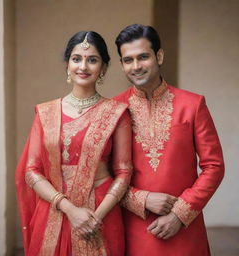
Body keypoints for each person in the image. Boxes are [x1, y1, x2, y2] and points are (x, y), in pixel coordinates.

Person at [16, 31, 132, 256]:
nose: (83, 66)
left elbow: (124, 172)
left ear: (104, 68)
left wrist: (95, 217)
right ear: (67, 64)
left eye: (92, 60)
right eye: (77, 58)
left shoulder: (116, 113)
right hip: (53, 209)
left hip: (99, 213)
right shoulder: (46, 112)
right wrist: (68, 208)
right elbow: (31, 171)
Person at [114, 24, 224, 256]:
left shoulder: (193, 105)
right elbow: (101, 173)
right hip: (134, 230)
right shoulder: (113, 111)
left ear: (159, 56)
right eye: (128, 60)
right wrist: (141, 199)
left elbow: (214, 166)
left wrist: (179, 214)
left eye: (143, 57)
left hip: (184, 229)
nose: (136, 66)